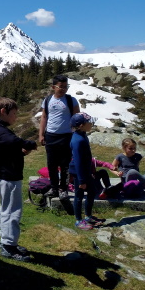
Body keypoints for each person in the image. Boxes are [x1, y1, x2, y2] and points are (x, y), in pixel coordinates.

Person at [0, 97, 37, 261]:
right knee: (12, 211)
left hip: (7, 176)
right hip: (8, 177)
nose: (15, 117)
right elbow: (14, 142)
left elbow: (7, 150)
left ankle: (6, 241)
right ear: (3, 112)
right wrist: (29, 143)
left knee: (6, 209)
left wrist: (21, 151)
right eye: (13, 113)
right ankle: (8, 246)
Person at [36, 74, 81, 203]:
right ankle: (54, 187)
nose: (63, 89)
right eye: (60, 87)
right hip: (51, 136)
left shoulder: (71, 100)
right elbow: (44, 117)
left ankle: (63, 189)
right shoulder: (48, 100)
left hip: (66, 136)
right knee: (52, 164)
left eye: (65, 87)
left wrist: (76, 135)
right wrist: (41, 134)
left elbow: (77, 118)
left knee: (65, 164)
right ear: (53, 87)